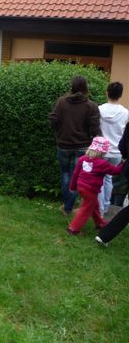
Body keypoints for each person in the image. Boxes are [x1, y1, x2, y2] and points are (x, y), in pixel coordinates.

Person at [49, 75, 101, 215]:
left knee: (65, 174)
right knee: (76, 176)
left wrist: (60, 132)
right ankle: (68, 207)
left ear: (72, 86)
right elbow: (95, 129)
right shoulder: (91, 106)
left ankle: (67, 207)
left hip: (63, 145)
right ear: (86, 88)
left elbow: (53, 120)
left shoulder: (61, 102)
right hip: (83, 147)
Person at [67, 136, 124, 235]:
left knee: (94, 206)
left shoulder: (82, 159)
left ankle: (100, 223)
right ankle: (73, 229)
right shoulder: (102, 163)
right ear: (102, 152)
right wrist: (124, 163)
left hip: (81, 187)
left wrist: (72, 186)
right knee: (85, 210)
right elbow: (116, 171)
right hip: (91, 190)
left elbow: (75, 173)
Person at [97, 82, 128, 215]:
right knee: (109, 178)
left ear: (107, 92)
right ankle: (105, 206)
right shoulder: (125, 112)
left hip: (100, 151)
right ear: (120, 95)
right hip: (116, 152)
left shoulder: (99, 109)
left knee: (99, 179)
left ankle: (99, 209)